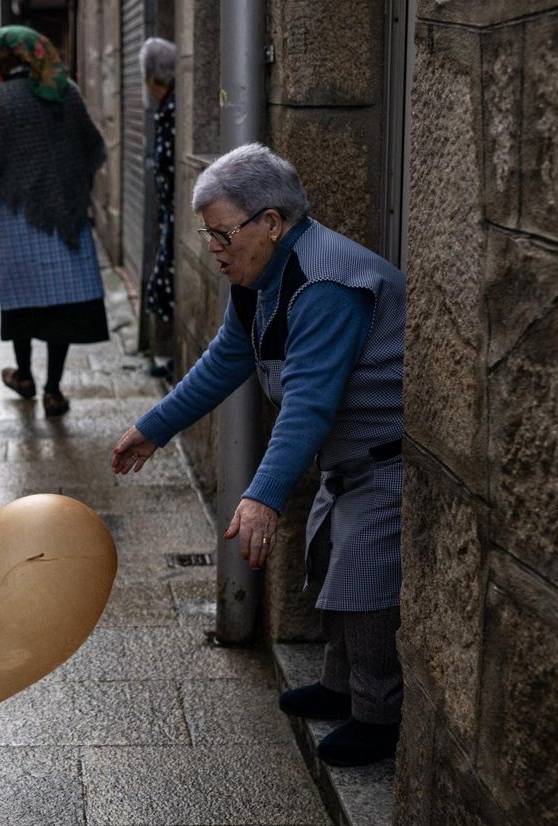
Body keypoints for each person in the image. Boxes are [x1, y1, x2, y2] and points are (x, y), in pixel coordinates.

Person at [111, 143, 406, 767]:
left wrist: (263, 497)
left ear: (271, 223)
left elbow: (308, 405)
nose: (213, 248)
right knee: (332, 567)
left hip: (382, 456)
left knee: (364, 584)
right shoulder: (260, 277)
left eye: (223, 233)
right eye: (208, 234)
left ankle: (378, 717)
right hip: (346, 458)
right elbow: (227, 359)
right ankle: (338, 685)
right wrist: (154, 428)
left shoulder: (325, 284)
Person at [0, 28, 109, 416]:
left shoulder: (2, 99)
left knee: (22, 298)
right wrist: (73, 190)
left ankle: (24, 374)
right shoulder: (68, 92)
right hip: (66, 217)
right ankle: (54, 390)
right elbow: (91, 145)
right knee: (61, 301)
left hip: (21, 214)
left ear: (4, 61)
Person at [141, 37, 178, 379]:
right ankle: (171, 359)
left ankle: (175, 361)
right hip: (170, 210)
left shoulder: (174, 106)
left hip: (177, 211)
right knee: (163, 282)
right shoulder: (167, 105)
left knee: (168, 281)